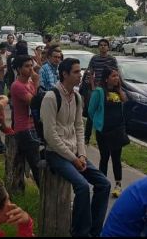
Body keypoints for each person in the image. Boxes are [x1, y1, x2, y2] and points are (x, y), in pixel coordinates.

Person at [41, 57, 110, 237]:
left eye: (80, 71)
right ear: (65, 74)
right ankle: (80, 232)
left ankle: (95, 231)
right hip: (55, 154)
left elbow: (79, 127)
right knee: (82, 186)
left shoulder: (77, 97)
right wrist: (74, 159)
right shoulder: (51, 97)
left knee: (104, 184)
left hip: (75, 153)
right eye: (76, 72)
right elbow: (50, 135)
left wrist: (82, 155)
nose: (81, 75)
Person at [89, 67, 129, 198]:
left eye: (117, 76)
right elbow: (91, 110)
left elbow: (123, 106)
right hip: (104, 131)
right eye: (113, 76)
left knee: (116, 159)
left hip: (117, 131)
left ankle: (118, 185)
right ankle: (102, 184)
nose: (116, 78)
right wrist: (98, 123)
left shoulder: (119, 92)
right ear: (106, 79)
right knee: (104, 157)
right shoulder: (99, 92)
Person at [9, 55, 42, 188]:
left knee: (38, 160)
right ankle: (43, 190)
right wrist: (37, 82)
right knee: (36, 163)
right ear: (18, 69)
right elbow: (34, 103)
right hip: (25, 128)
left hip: (33, 126)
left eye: (31, 66)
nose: (30, 69)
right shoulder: (17, 85)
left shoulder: (29, 83)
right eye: (27, 66)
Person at [82, 39, 118, 144]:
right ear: (98, 47)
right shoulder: (94, 58)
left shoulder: (112, 59)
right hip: (97, 89)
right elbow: (90, 73)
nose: (103, 47)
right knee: (91, 113)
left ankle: (106, 135)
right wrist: (93, 87)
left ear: (108, 47)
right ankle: (87, 137)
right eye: (101, 45)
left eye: (105, 45)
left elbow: (116, 73)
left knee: (107, 112)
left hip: (109, 90)